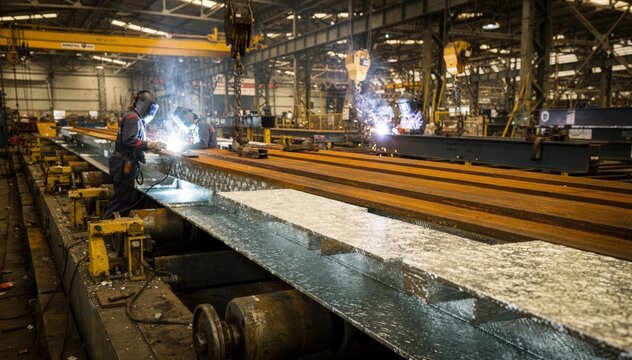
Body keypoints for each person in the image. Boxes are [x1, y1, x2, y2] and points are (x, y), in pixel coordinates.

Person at [103, 90, 166, 219]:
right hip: (123, 165)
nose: (151, 113)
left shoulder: (137, 118)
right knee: (122, 200)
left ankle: (116, 227)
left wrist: (148, 147)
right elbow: (129, 140)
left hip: (125, 164)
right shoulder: (133, 118)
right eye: (151, 109)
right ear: (144, 104)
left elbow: (136, 142)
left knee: (126, 198)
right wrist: (150, 145)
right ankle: (104, 228)